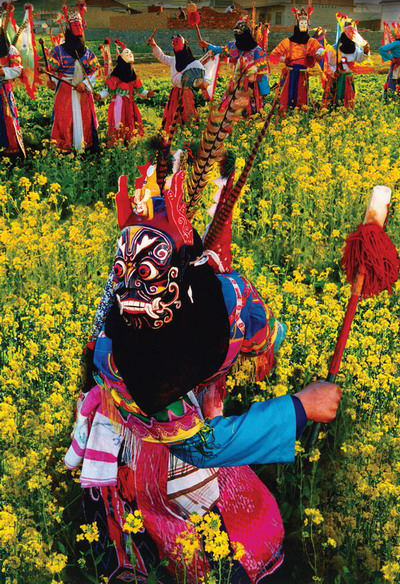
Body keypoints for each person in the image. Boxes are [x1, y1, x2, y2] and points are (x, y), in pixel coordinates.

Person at [65, 158, 342, 583]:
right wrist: (300, 407)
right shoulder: (133, 364)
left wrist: (265, 349)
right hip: (153, 446)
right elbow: (200, 447)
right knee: (192, 524)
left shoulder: (219, 298)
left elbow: (258, 328)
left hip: (181, 417)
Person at [47, 2, 100, 151]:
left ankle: (85, 147)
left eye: (80, 25)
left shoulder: (88, 52)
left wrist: (85, 84)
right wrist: (51, 81)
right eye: (76, 25)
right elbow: (53, 72)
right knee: (64, 120)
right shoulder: (57, 51)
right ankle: (65, 149)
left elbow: (95, 71)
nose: (79, 28)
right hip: (65, 90)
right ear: (69, 28)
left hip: (83, 92)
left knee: (84, 119)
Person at [199, 18, 270, 114]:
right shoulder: (235, 46)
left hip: (251, 88)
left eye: (241, 37)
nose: (239, 40)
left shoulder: (258, 52)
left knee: (248, 113)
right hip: (235, 85)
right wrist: (207, 45)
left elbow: (262, 73)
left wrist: (264, 91)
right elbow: (221, 50)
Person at [94, 41, 155, 143]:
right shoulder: (114, 77)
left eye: (131, 65)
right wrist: (99, 96)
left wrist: (147, 94)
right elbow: (107, 91)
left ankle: (130, 143)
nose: (130, 67)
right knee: (118, 124)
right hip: (117, 104)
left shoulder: (133, 76)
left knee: (130, 124)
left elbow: (140, 91)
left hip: (130, 105)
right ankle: (117, 144)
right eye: (128, 65)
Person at [148, 34, 209, 134]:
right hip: (174, 93)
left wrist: (206, 83)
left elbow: (204, 75)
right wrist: (154, 45)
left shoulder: (194, 63)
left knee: (187, 114)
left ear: (184, 45)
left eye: (177, 42)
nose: (175, 45)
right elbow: (161, 57)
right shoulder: (173, 61)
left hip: (186, 93)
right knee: (172, 114)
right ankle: (171, 134)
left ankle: (189, 133)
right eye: (173, 43)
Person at [269, 5, 324, 112]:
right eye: (301, 23)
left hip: (302, 74)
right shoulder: (287, 42)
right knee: (285, 95)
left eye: (305, 24)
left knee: (301, 95)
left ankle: (300, 114)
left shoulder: (311, 42)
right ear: (297, 25)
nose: (303, 26)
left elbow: (320, 48)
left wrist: (318, 53)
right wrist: (285, 59)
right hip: (289, 73)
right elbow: (274, 55)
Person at [322, 15, 371, 110]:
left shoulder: (355, 49)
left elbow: (360, 59)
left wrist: (365, 52)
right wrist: (333, 71)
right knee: (334, 98)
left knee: (347, 98)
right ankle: (332, 111)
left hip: (348, 77)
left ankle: (345, 111)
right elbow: (327, 64)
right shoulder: (333, 49)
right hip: (336, 77)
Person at [0, 2, 25, 157]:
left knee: (6, 119)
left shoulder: (9, 50)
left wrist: (3, 71)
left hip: (3, 91)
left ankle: (10, 150)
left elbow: (18, 69)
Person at [379, 26, 400, 100]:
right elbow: (382, 49)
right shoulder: (397, 43)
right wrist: (391, 58)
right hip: (397, 65)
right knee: (394, 81)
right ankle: (391, 98)